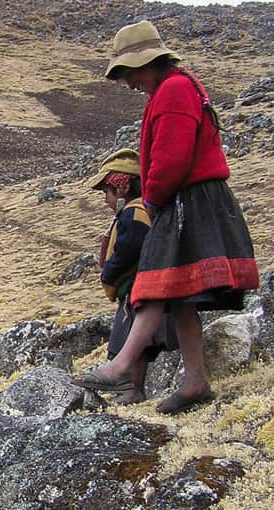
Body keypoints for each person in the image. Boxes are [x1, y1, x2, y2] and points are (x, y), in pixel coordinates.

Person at [72, 21, 259, 414]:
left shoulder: (174, 90)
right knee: (180, 294)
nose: (128, 82)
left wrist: (153, 201)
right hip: (187, 198)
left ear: (149, 62)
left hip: (185, 199)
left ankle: (121, 366)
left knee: (156, 285)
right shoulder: (175, 87)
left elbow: (171, 160)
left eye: (130, 72)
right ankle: (195, 382)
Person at [87, 148, 177, 405]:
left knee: (130, 340)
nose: (105, 198)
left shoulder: (134, 213)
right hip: (139, 288)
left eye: (106, 191)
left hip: (136, 288)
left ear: (121, 187)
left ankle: (131, 390)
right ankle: (132, 390)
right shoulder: (138, 211)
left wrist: (109, 274)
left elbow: (129, 250)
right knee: (137, 342)